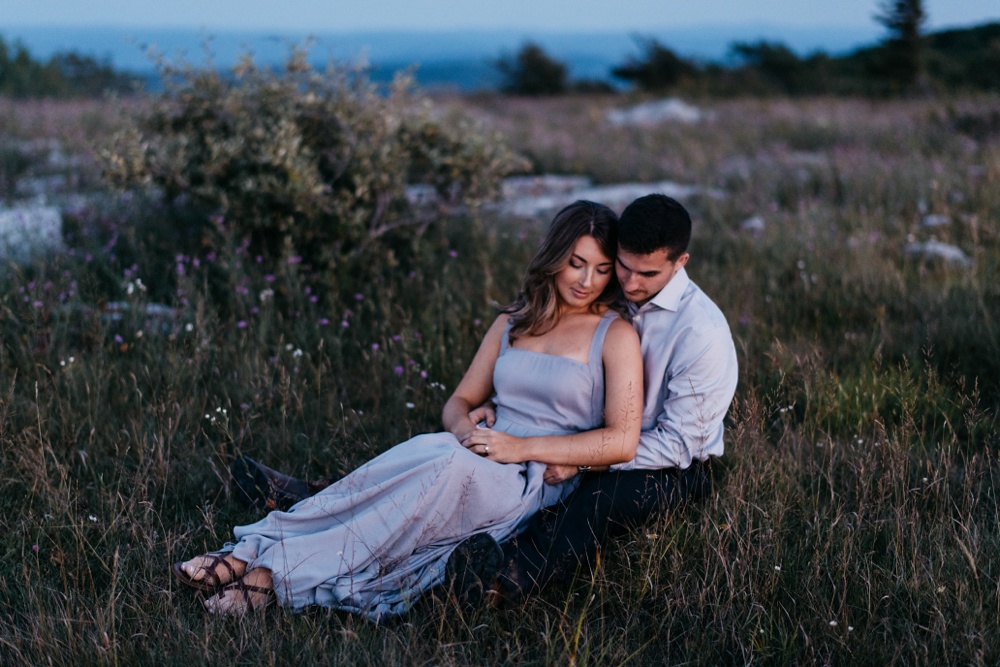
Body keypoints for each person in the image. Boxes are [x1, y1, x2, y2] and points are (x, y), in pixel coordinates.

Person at [171, 200, 644, 618]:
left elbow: (622, 440)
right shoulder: (513, 322)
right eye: (576, 263)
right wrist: (465, 430)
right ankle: (256, 547)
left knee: (430, 477)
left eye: (602, 269)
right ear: (554, 258)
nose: (586, 280)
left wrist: (518, 447)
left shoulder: (614, 334)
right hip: (471, 451)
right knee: (392, 478)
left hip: (530, 474)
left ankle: (272, 572)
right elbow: (459, 403)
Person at [451, 193, 739, 601]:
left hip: (670, 463)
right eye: (621, 266)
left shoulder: (701, 334)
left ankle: (501, 581)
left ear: (681, 263)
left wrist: (582, 459)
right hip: (589, 435)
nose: (631, 283)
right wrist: (502, 403)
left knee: (598, 502)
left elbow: (677, 444)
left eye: (648, 273)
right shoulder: (607, 286)